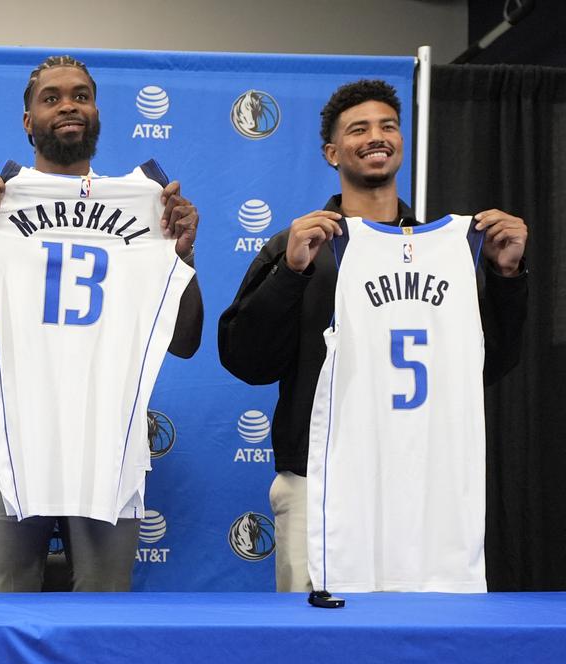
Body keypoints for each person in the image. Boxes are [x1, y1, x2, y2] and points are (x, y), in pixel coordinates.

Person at [0, 55, 203, 593]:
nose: (68, 105)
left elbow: (185, 343)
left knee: (103, 614)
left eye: (81, 95)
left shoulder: (149, 207)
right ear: (28, 120)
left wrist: (183, 254)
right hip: (8, 446)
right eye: (52, 97)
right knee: (6, 607)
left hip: (110, 443)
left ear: (97, 112)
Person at [218, 79, 527, 592]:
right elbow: (246, 361)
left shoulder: (449, 252)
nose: (376, 137)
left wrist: (506, 277)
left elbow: (487, 365)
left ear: (401, 141)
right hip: (319, 478)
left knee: (423, 647)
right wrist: (291, 274)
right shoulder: (298, 244)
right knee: (315, 649)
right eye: (358, 129)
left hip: (424, 479)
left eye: (387, 126)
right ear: (332, 152)